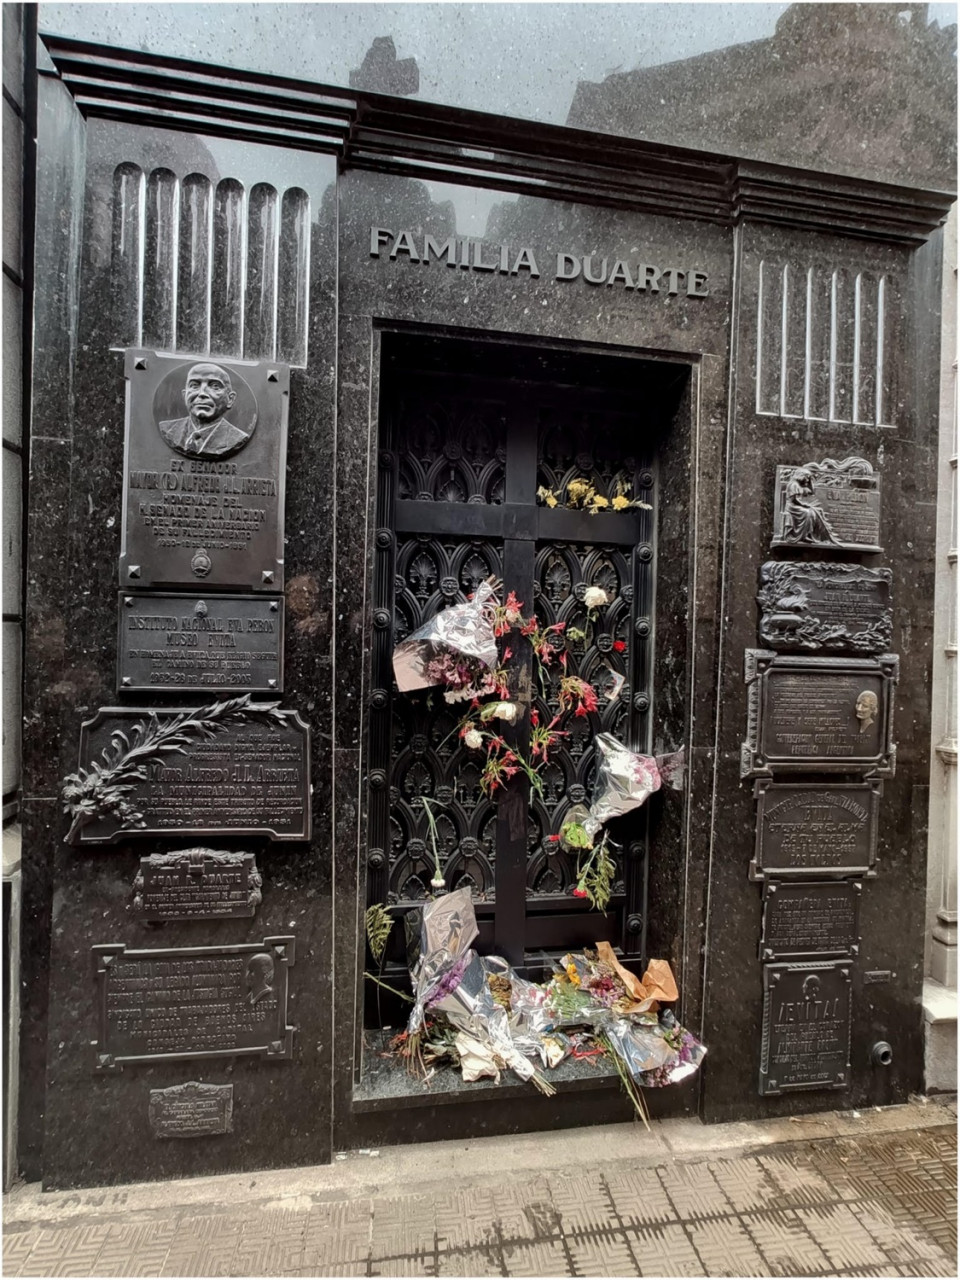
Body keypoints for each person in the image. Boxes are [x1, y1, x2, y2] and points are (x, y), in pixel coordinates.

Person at [159, 362, 252, 458]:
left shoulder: (238, 438)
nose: (202, 393)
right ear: (184, 396)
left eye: (215, 386)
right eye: (194, 385)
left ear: (230, 399)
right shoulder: (167, 429)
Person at [780, 467, 840, 545]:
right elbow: (793, 500)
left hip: (797, 505)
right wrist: (804, 505)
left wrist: (811, 480)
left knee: (815, 511)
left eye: (808, 478)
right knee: (807, 513)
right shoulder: (793, 484)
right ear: (802, 476)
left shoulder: (800, 485)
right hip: (792, 507)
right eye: (807, 478)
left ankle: (811, 534)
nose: (807, 480)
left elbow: (812, 491)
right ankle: (802, 536)